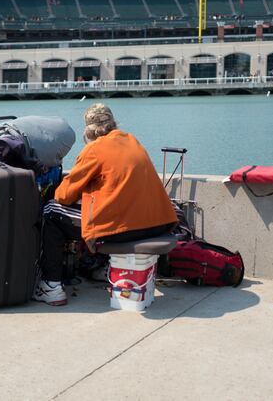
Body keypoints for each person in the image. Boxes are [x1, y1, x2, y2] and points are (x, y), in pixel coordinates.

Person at [33, 103, 177, 306]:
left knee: (51, 210)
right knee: (103, 212)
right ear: (113, 123)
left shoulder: (94, 149)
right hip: (157, 224)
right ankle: (102, 268)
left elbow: (64, 195)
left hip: (125, 230)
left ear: (88, 130)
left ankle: (51, 286)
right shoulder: (131, 140)